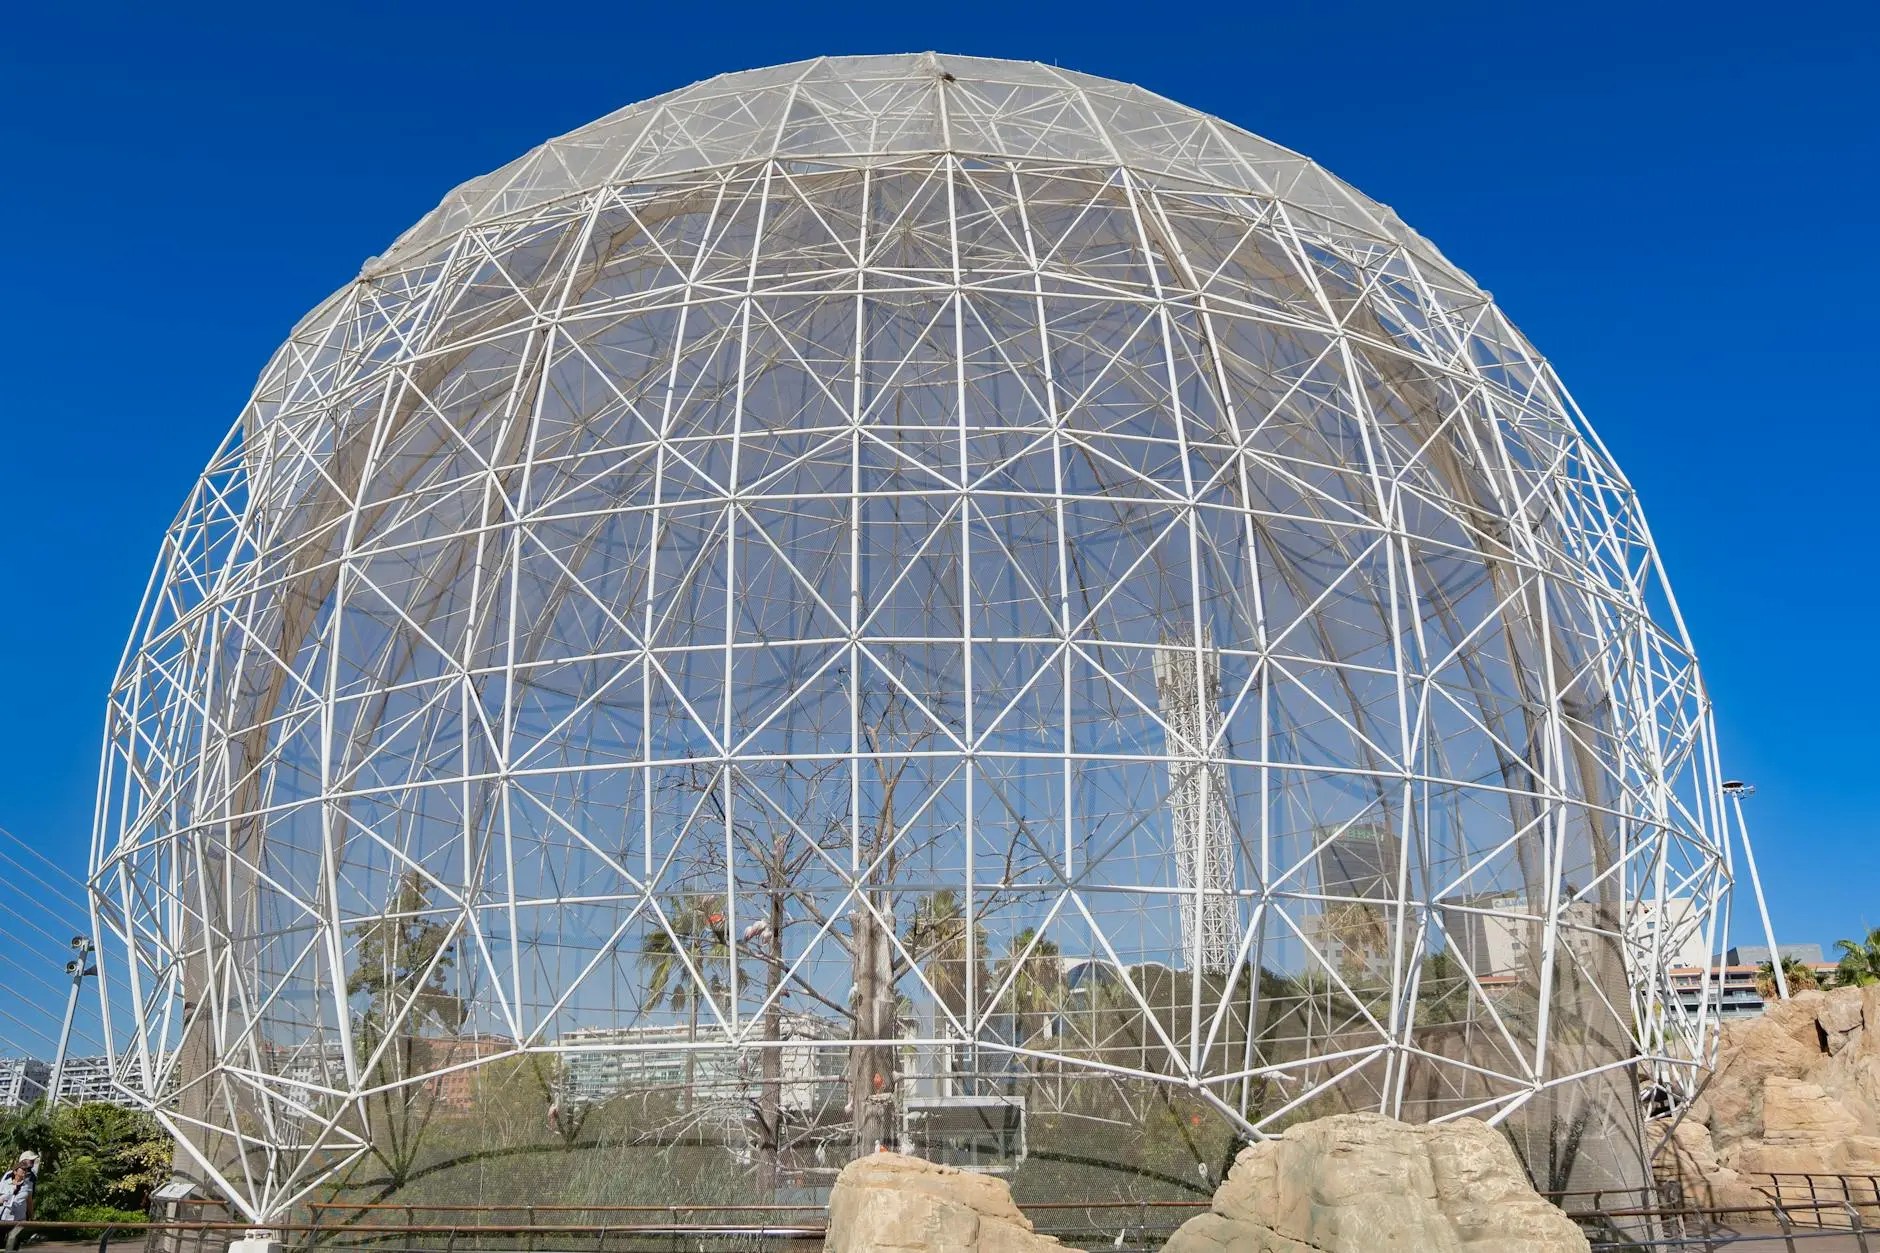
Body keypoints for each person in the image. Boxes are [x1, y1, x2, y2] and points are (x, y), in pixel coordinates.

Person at [0, 1154, 34, 1251]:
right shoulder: (5, 1183)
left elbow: (29, 1201)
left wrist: (31, 1216)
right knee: (1, 1243)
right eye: (22, 1169)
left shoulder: (28, 1185)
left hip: (19, 1220)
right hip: (4, 1218)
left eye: (26, 1170)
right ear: (15, 1172)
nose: (25, 1171)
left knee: (13, 1243)